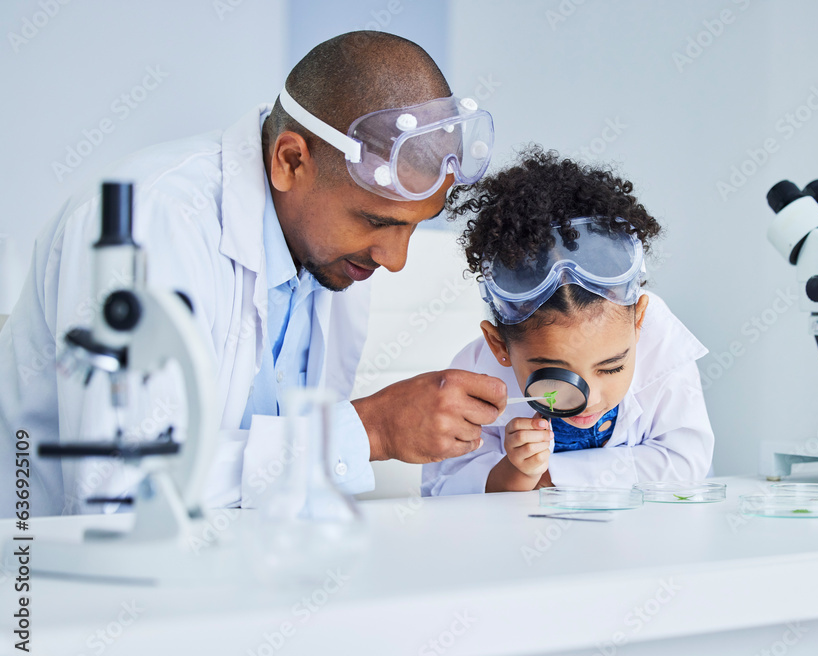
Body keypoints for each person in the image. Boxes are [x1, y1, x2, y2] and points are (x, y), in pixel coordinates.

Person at [0, 32, 507, 517]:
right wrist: (370, 431)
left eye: (412, 229)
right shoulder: (148, 223)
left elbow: (276, 491)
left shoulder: (333, 257)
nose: (395, 259)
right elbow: (120, 490)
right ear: (290, 161)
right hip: (49, 585)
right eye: (376, 221)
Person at [422, 148, 714, 495]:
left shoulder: (660, 344)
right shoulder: (476, 373)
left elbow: (687, 464)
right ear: (500, 346)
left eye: (611, 369)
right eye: (555, 376)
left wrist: (549, 475)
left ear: (639, 324)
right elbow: (444, 489)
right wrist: (514, 473)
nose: (588, 399)